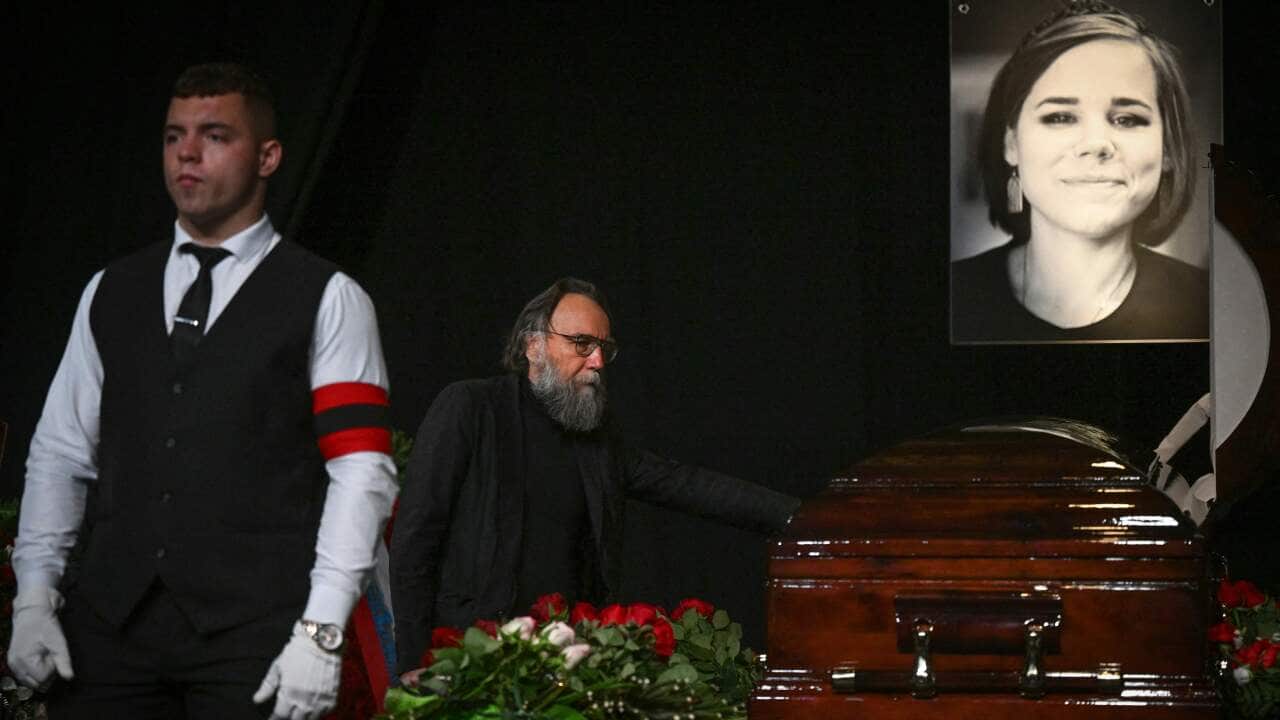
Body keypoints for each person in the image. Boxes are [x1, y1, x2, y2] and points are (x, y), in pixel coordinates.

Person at [6, 63, 398, 720]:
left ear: (268, 156)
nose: (187, 152)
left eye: (215, 135)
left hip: (254, 635)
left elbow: (360, 471)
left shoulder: (329, 298)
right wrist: (34, 596)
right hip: (107, 629)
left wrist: (322, 630)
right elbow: (60, 452)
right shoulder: (111, 290)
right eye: (173, 136)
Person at [389, 278, 799, 679]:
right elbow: (415, 539)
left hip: (565, 670)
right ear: (534, 345)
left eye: (604, 349)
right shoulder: (470, 409)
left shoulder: (598, 444)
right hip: (470, 661)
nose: (598, 362)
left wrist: (803, 517)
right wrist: (411, 661)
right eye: (582, 344)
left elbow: (688, 485)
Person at [951, 1, 1208, 343]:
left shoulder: (1211, 307)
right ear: (1011, 144)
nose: (1096, 144)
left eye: (1127, 119)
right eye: (1060, 117)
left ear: (1168, 150)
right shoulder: (950, 298)